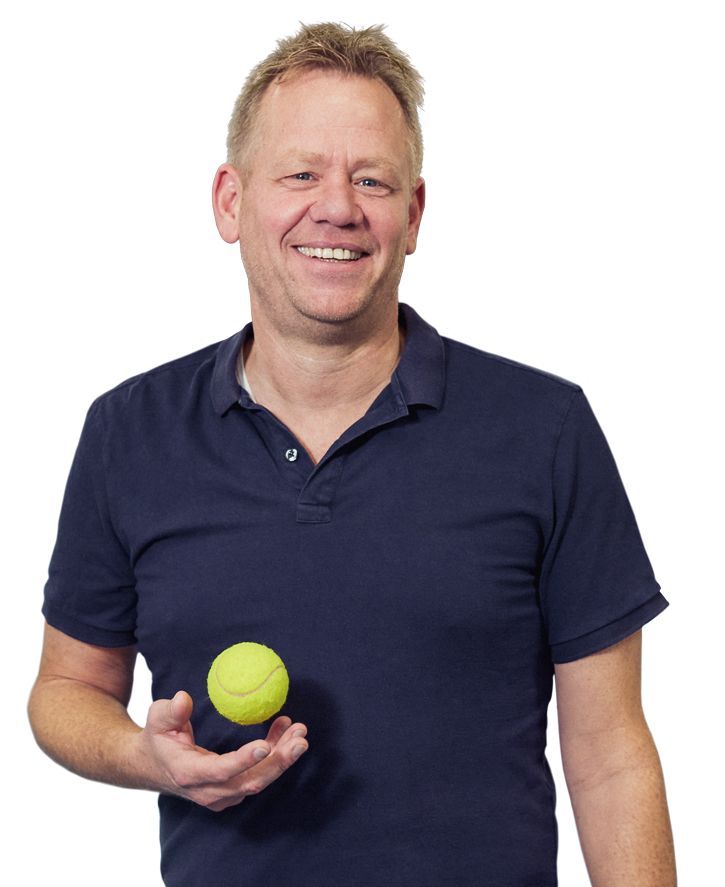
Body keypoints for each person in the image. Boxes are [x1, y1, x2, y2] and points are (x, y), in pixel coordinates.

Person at [28, 22, 676, 886]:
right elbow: (66, 687)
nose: (336, 207)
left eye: (370, 179)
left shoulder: (543, 429)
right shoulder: (128, 432)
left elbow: (608, 751)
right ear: (230, 200)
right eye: (300, 173)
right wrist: (146, 758)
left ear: (411, 215)